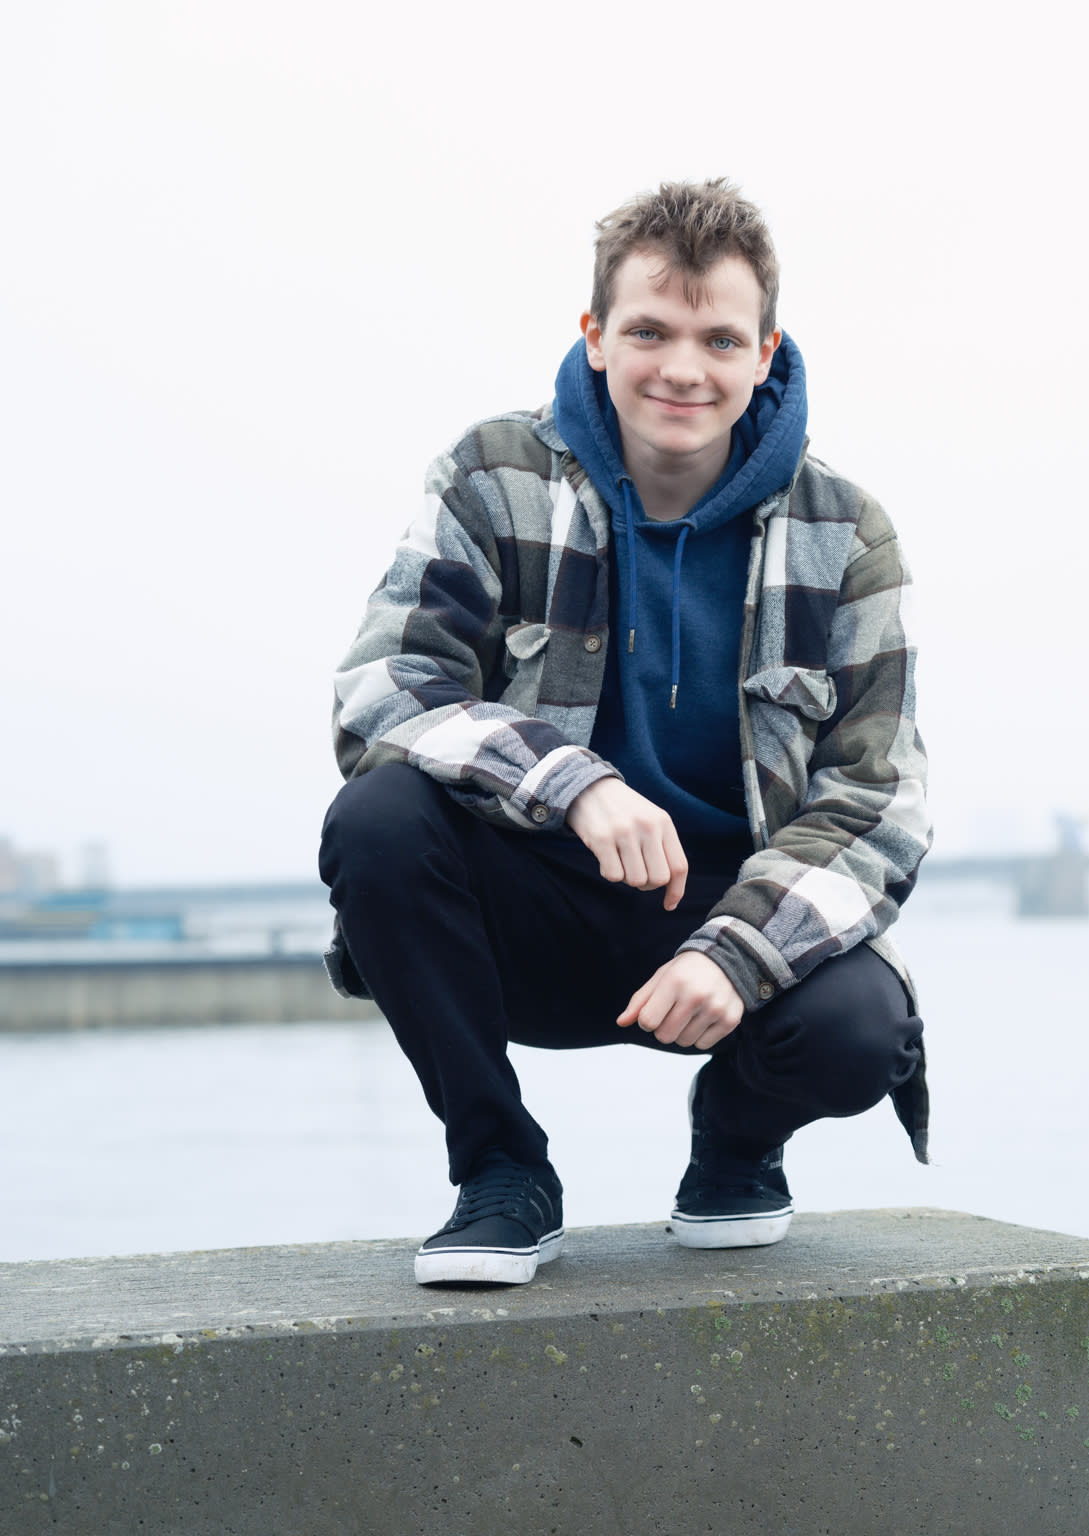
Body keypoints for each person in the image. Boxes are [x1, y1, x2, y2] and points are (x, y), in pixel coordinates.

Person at [317, 179, 930, 1287]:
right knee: (378, 817)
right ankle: (500, 1171)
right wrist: (573, 782)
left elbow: (877, 802)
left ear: (765, 353)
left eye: (719, 339)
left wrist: (737, 952)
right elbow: (383, 690)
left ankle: (736, 1141)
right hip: (530, 910)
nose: (683, 369)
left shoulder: (844, 531)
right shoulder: (494, 474)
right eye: (649, 331)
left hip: (733, 925)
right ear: (595, 336)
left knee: (861, 1030)